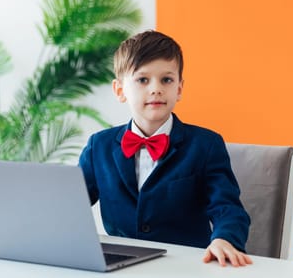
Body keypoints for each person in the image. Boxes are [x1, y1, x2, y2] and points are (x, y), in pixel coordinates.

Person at [78, 30, 252, 267]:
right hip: (120, 266)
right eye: (142, 80)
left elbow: (228, 208)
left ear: (179, 88)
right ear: (120, 90)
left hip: (186, 266)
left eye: (166, 80)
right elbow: (71, 205)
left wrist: (224, 238)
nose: (156, 89)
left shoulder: (206, 145)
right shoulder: (99, 146)